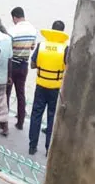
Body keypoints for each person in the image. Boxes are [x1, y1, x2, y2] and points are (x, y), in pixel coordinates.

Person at [28, 21, 68, 155]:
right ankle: (48, 149)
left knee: (36, 115)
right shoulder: (65, 49)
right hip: (55, 88)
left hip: (41, 86)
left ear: (51, 30)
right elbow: (68, 69)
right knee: (52, 117)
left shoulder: (41, 46)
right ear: (62, 32)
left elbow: (32, 64)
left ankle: (32, 147)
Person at [8, 6, 36, 130]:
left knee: (6, 93)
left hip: (12, 64)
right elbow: (32, 47)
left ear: (14, 17)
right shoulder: (33, 30)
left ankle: (3, 122)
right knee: (21, 93)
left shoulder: (12, 30)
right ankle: (20, 121)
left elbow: (8, 50)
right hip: (24, 65)